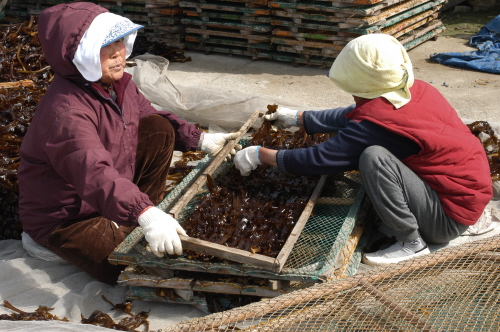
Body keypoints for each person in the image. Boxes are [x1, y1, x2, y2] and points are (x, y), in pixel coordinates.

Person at [17, 2, 238, 284]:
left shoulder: (118, 84)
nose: (119, 53)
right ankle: (56, 239)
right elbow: (94, 173)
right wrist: (144, 215)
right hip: (68, 217)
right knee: (126, 268)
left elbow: (151, 116)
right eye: (105, 45)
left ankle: (137, 213)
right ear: (79, 53)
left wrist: (201, 139)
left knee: (157, 128)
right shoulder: (67, 112)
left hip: (108, 192)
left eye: (120, 41)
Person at [234, 34, 493, 266]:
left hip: (449, 217)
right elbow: (357, 114)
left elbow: (318, 159)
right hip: (465, 195)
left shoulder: (376, 124)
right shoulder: (413, 89)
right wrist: (301, 118)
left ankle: (412, 243)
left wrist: (261, 155)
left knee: (374, 158)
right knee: (372, 151)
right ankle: (417, 225)